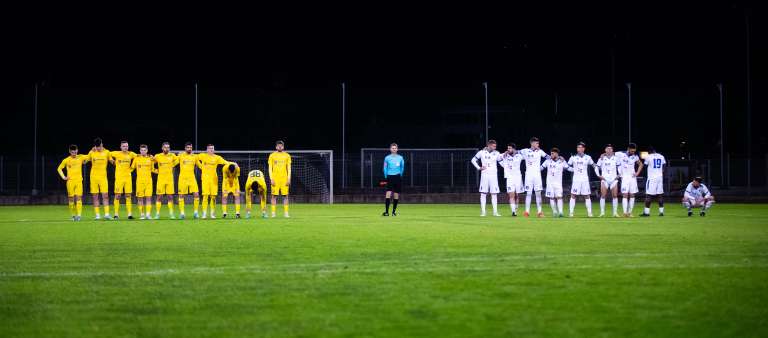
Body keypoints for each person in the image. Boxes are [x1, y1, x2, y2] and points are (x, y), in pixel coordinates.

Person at [197, 144, 231, 219]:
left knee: (213, 197)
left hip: (214, 180)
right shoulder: (202, 156)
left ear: (214, 149)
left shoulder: (217, 157)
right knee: (205, 196)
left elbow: (225, 162)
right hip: (205, 179)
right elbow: (194, 158)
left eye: (212, 148)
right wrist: (200, 166)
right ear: (207, 150)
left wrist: (232, 163)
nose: (211, 150)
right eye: (209, 148)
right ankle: (204, 214)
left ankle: (212, 213)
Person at [57, 145, 89, 221]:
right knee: (71, 198)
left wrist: (92, 150)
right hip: (70, 182)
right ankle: (73, 215)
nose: (74, 153)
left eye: (75, 151)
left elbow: (89, 156)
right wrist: (64, 177)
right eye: (72, 152)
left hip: (78, 181)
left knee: (78, 197)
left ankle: (79, 215)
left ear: (77, 150)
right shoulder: (66, 160)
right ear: (69, 151)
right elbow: (59, 168)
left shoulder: (80, 157)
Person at [471, 139, 502, 216]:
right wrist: (479, 167)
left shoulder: (497, 153)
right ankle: (483, 212)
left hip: (493, 176)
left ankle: (495, 212)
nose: (495, 147)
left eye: (495, 146)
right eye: (494, 146)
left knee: (494, 193)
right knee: (483, 193)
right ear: (489, 145)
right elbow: (473, 160)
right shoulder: (481, 152)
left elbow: (501, 161)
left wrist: (508, 168)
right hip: (484, 175)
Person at [519, 137, 548, 217]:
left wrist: (542, 167)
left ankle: (539, 212)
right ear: (532, 143)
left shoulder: (540, 151)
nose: (538, 145)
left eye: (538, 143)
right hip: (528, 175)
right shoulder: (525, 151)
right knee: (528, 193)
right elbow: (516, 152)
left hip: (537, 175)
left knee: (538, 193)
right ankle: (526, 212)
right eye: (536, 143)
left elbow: (548, 157)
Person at [615, 143, 644, 217]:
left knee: (632, 194)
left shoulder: (635, 157)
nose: (633, 152)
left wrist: (637, 173)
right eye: (632, 151)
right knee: (625, 194)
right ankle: (625, 213)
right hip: (624, 177)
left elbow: (641, 164)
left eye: (634, 151)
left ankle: (630, 212)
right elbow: (610, 153)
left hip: (632, 178)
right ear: (628, 149)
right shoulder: (620, 154)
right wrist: (603, 154)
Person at [567, 142, 595, 217]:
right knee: (573, 195)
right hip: (576, 179)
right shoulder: (573, 157)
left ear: (584, 148)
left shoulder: (588, 157)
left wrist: (598, 168)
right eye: (578, 147)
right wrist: (573, 170)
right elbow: (567, 166)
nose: (579, 149)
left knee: (587, 196)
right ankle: (571, 213)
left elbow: (594, 165)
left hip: (585, 179)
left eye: (581, 147)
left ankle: (589, 213)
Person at [110, 141, 136, 219]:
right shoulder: (116, 153)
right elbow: (107, 154)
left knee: (128, 196)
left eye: (127, 146)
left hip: (128, 178)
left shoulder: (131, 154)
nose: (125, 147)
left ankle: (129, 214)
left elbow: (138, 157)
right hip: (119, 178)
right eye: (124, 146)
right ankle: (116, 214)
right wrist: (112, 161)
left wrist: (132, 167)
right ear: (120, 147)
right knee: (117, 196)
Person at [540, 147, 569, 217]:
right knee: (551, 198)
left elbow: (568, 168)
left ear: (556, 154)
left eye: (552, 153)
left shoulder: (562, 161)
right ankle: (555, 212)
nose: (551, 155)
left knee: (559, 197)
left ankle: (561, 212)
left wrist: (576, 170)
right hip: (549, 183)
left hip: (558, 183)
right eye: (551, 153)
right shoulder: (547, 161)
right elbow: (541, 168)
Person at [87, 138, 111, 220]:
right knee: (95, 196)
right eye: (97, 147)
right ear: (95, 146)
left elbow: (112, 160)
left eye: (99, 147)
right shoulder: (91, 152)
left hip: (103, 178)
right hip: (93, 178)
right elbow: (85, 161)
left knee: (105, 196)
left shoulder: (107, 152)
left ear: (102, 144)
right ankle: (97, 215)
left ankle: (107, 214)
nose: (98, 148)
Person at [131, 145, 157, 220]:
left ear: (147, 150)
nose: (143, 151)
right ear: (140, 151)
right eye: (142, 150)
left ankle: (148, 214)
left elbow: (153, 169)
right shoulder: (136, 159)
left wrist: (160, 172)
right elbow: (132, 168)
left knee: (148, 198)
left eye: (144, 150)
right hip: (139, 182)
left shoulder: (150, 159)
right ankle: (142, 214)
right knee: (140, 199)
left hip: (149, 181)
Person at [154, 142, 178, 219]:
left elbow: (178, 160)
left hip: (169, 180)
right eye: (165, 147)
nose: (166, 149)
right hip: (160, 180)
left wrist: (172, 165)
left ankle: (171, 214)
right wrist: (155, 171)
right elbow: (151, 162)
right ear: (162, 148)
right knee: (159, 197)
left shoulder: (172, 156)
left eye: (168, 147)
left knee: (170, 197)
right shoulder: (158, 156)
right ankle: (157, 214)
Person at [595, 144, 620, 217]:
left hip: (613, 179)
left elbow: (620, 167)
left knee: (615, 196)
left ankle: (615, 213)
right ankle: (602, 213)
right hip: (605, 179)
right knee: (603, 196)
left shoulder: (616, 158)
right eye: (607, 149)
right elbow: (597, 167)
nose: (609, 150)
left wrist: (619, 175)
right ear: (605, 150)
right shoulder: (601, 158)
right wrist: (599, 176)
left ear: (612, 150)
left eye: (610, 149)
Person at [268, 140, 292, 218]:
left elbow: (289, 168)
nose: (280, 147)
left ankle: (286, 213)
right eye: (278, 145)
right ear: (276, 147)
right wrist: (271, 178)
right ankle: (273, 213)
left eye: (281, 145)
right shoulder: (272, 155)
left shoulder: (287, 156)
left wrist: (288, 178)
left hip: (284, 179)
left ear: (283, 146)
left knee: (285, 196)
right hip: (275, 179)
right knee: (273, 196)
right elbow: (270, 168)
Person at [641, 146, 667, 217]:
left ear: (649, 152)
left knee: (648, 195)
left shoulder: (648, 157)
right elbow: (664, 165)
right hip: (659, 178)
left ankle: (646, 212)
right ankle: (661, 212)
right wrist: (661, 172)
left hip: (652, 178)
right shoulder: (661, 156)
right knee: (660, 195)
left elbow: (645, 166)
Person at [499, 143, 524, 216]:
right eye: (508, 148)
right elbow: (497, 157)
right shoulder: (505, 156)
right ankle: (513, 211)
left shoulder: (519, 156)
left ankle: (516, 209)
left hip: (518, 178)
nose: (508, 150)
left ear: (514, 149)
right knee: (511, 195)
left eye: (510, 148)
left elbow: (528, 156)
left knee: (517, 195)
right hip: (509, 178)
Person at [177, 142, 200, 219]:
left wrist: (207, 168)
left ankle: (196, 212)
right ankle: (182, 213)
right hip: (182, 178)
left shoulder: (194, 156)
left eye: (190, 147)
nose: (189, 149)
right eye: (188, 147)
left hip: (192, 178)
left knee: (196, 194)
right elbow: (174, 162)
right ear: (185, 148)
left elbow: (200, 165)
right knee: (181, 195)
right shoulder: (180, 156)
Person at [382, 143, 405, 216]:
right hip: (389, 176)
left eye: (395, 148)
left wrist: (400, 175)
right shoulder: (387, 158)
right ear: (390, 149)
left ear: (397, 149)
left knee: (396, 194)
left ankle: (393, 212)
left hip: (397, 177)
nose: (394, 149)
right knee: (388, 193)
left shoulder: (400, 157)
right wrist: (386, 176)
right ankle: (386, 212)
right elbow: (385, 167)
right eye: (392, 148)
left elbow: (402, 167)